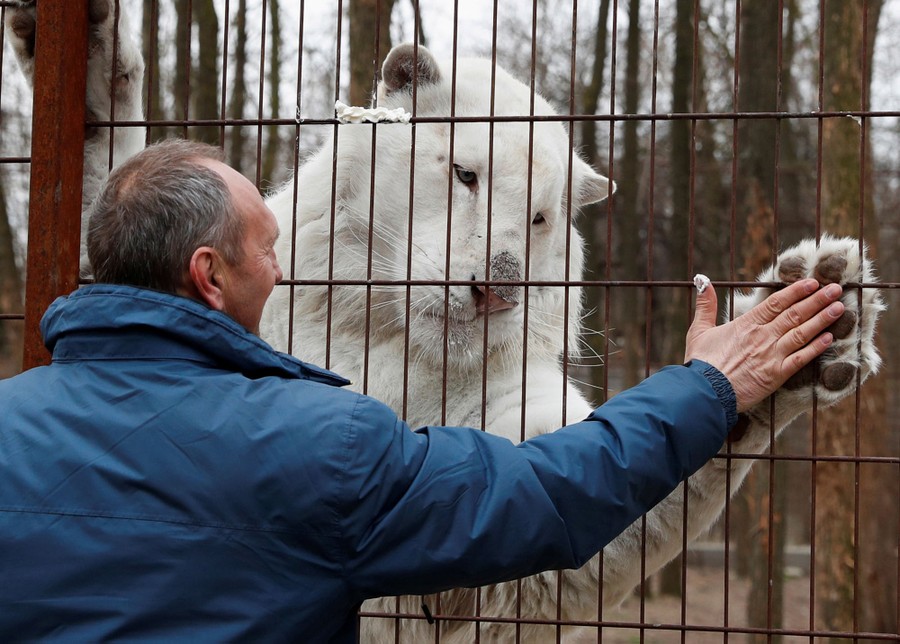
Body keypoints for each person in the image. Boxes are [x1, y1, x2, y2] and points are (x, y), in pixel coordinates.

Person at [0, 140, 845, 642]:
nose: (285, 262)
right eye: (268, 245)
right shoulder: (317, 444)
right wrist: (712, 388)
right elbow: (540, 494)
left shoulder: (9, 419)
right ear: (209, 276)